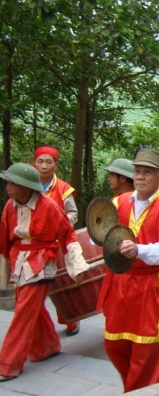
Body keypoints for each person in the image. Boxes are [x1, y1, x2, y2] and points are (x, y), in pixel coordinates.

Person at [97, 148, 159, 392]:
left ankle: (138, 390)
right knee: (113, 343)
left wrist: (140, 250)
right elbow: (104, 233)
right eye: (137, 171)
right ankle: (135, 389)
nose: (140, 177)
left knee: (146, 350)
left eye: (147, 172)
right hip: (121, 282)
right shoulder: (117, 203)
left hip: (152, 285)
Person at [0, 163, 87, 381]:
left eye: (12, 183)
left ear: (26, 187)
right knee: (32, 309)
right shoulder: (10, 206)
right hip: (19, 261)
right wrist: (5, 265)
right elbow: (4, 237)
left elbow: (67, 233)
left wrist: (76, 264)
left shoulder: (47, 206)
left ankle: (8, 364)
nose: (8, 187)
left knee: (23, 313)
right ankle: (46, 346)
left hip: (41, 263)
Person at [33, 145, 80, 336]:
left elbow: (73, 214)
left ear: (56, 164)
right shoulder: (27, 186)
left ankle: (70, 320)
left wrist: (58, 223)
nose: (44, 166)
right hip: (35, 245)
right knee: (35, 286)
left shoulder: (63, 188)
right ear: (33, 163)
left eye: (49, 161)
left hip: (59, 243)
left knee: (62, 282)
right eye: (40, 161)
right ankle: (40, 328)